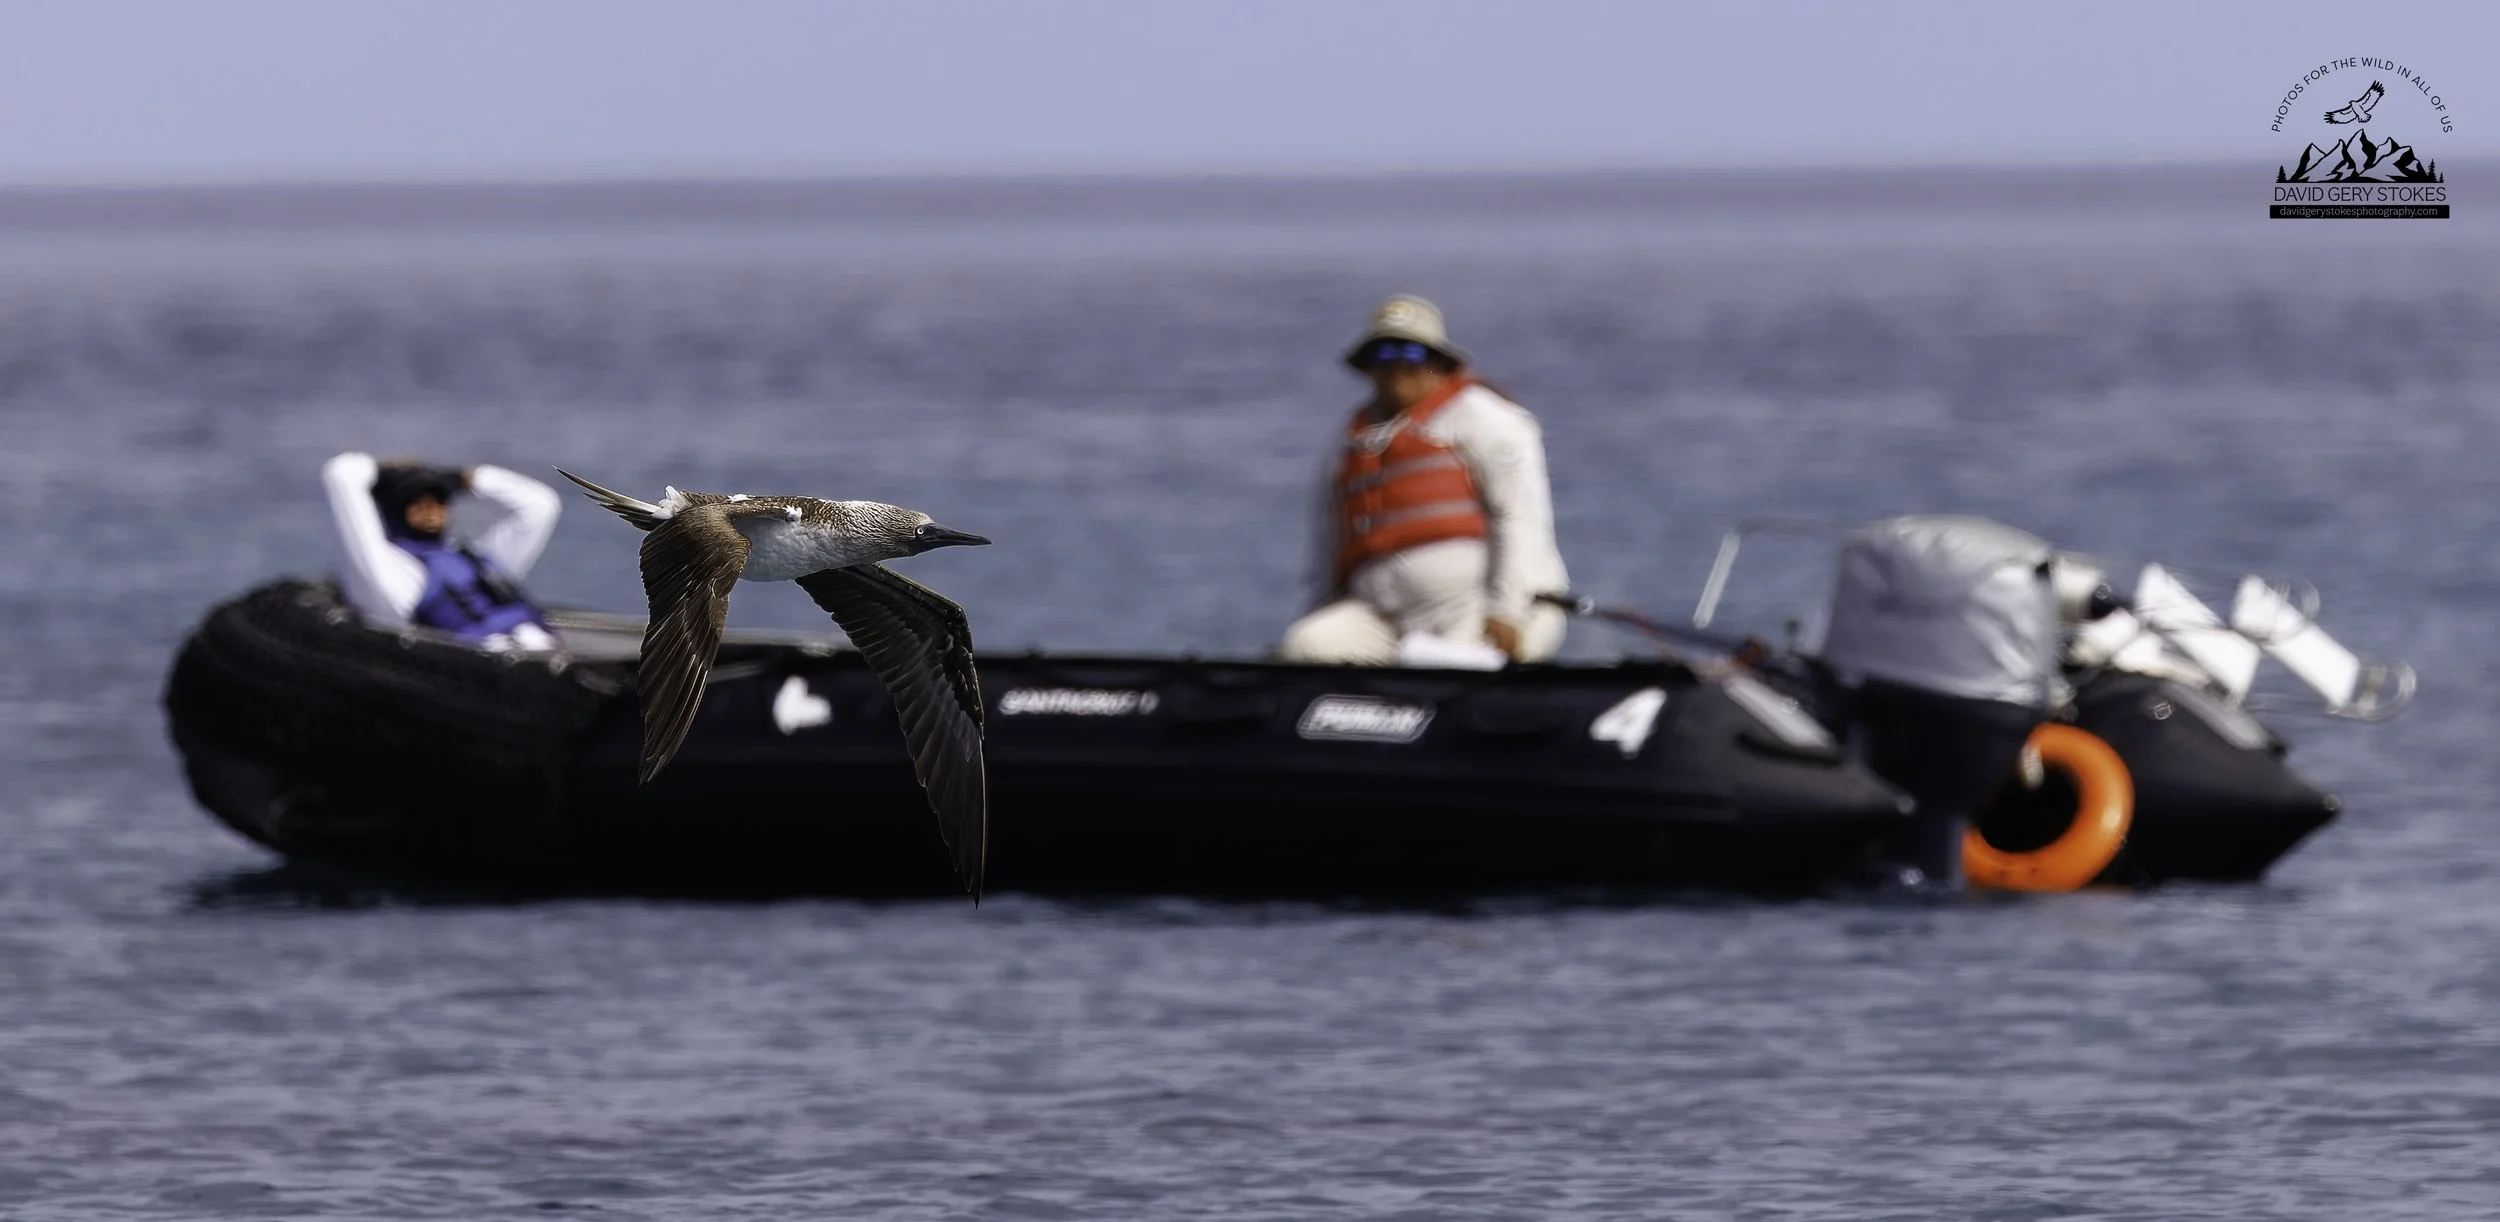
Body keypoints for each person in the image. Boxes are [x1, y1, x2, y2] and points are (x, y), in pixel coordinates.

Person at [1278, 295, 1570, 665]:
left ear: (1438, 362)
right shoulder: (1349, 440)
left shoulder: (1483, 417)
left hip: (1476, 605)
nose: (1398, 366)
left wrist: (1507, 611)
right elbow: (1327, 541)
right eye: (1383, 355)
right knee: (1307, 646)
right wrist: (1319, 609)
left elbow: (1520, 517)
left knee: (1444, 665)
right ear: (1368, 368)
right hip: (1382, 617)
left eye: (1412, 354)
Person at [320, 451, 563, 651]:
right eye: (417, 504)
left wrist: (460, 478)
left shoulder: (471, 558)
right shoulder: (387, 571)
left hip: (540, 647)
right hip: (479, 669)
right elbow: (341, 473)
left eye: (438, 502)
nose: (431, 511)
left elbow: (539, 505)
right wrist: (385, 472)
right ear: (393, 511)